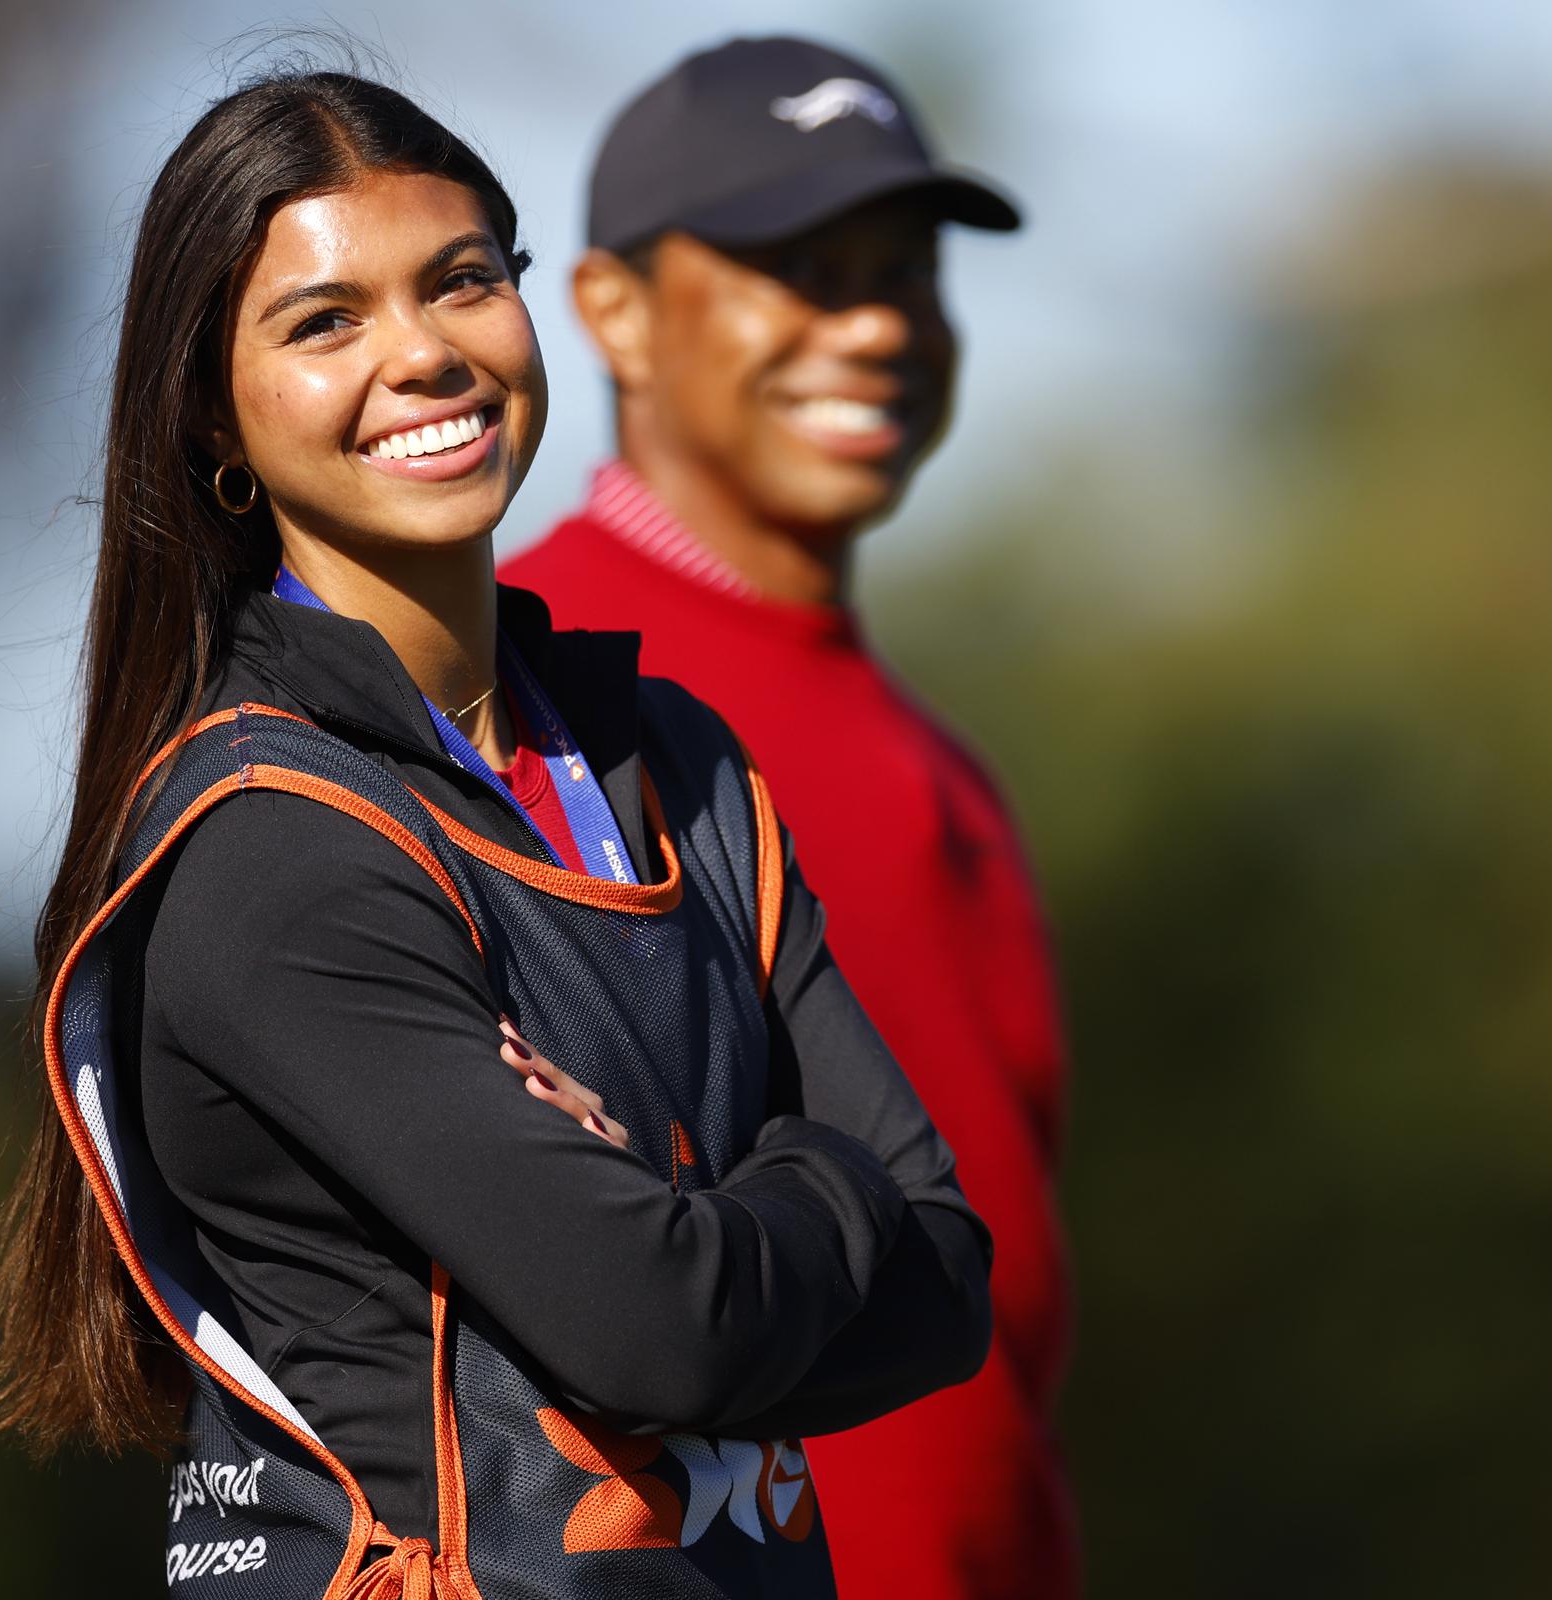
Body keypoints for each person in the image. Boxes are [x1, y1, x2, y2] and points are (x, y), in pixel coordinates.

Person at [0, 66, 989, 1599]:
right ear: (214, 418)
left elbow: (948, 1278)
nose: (424, 354)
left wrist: (694, 1220)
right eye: (324, 321)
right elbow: (664, 1326)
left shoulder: (674, 764)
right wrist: (824, 1179)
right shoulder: (277, 852)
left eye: (461, 282)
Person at [501, 37, 1074, 1600]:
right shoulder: (514, 685)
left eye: (906, 272)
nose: (876, 322)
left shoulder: (947, 764)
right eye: (802, 268)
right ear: (613, 311)